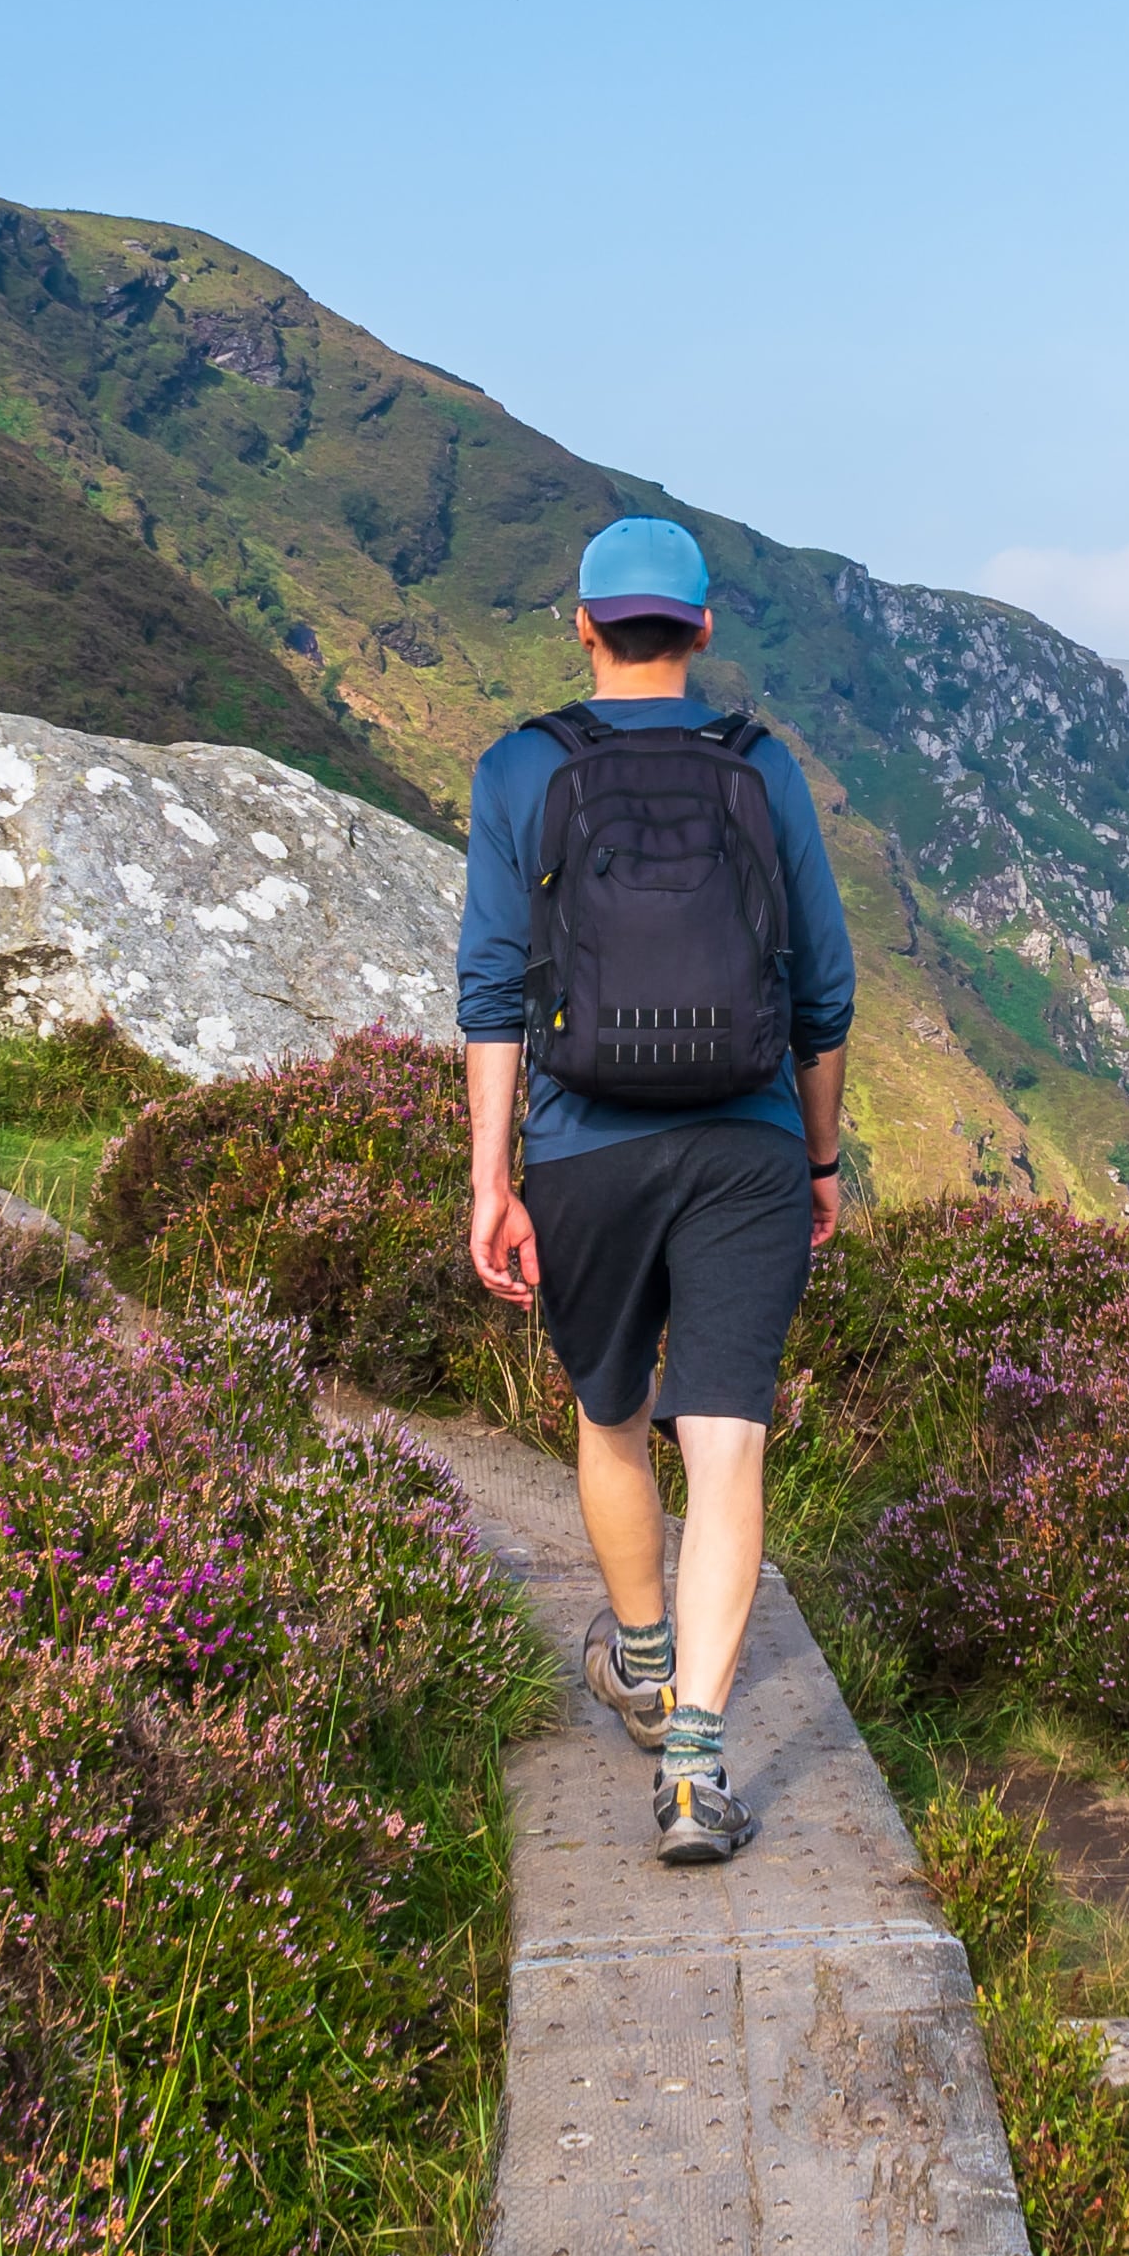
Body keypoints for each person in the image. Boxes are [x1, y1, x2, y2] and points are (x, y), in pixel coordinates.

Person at [460, 513, 863, 1864]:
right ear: (699, 631)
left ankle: (639, 1659)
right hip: (746, 1144)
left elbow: (493, 994)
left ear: (583, 625)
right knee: (730, 1439)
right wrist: (816, 1158)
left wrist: (491, 1180)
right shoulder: (763, 768)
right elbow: (824, 991)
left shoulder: (522, 768)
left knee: (612, 1411)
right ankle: (697, 1763)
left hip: (583, 1145)